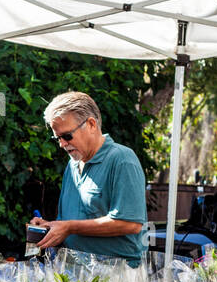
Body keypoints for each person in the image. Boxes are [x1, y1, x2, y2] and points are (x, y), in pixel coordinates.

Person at [28, 91, 148, 266]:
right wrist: (51, 227)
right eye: (58, 138)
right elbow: (71, 222)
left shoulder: (122, 159)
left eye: (67, 136)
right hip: (75, 272)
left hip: (116, 274)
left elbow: (130, 224)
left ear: (91, 124)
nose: (62, 144)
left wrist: (69, 227)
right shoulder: (72, 165)